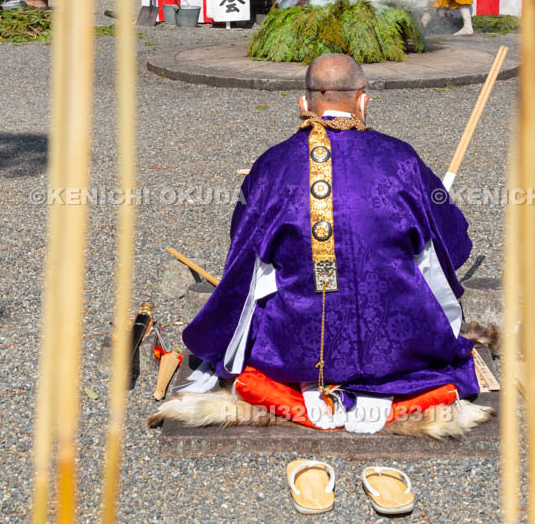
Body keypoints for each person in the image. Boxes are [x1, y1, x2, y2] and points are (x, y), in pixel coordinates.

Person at [179, 54, 481, 432]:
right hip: (401, 346)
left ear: (303, 105)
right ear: (363, 100)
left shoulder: (272, 166)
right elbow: (450, 242)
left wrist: (219, 330)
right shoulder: (401, 160)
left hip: (294, 351)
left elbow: (243, 256)